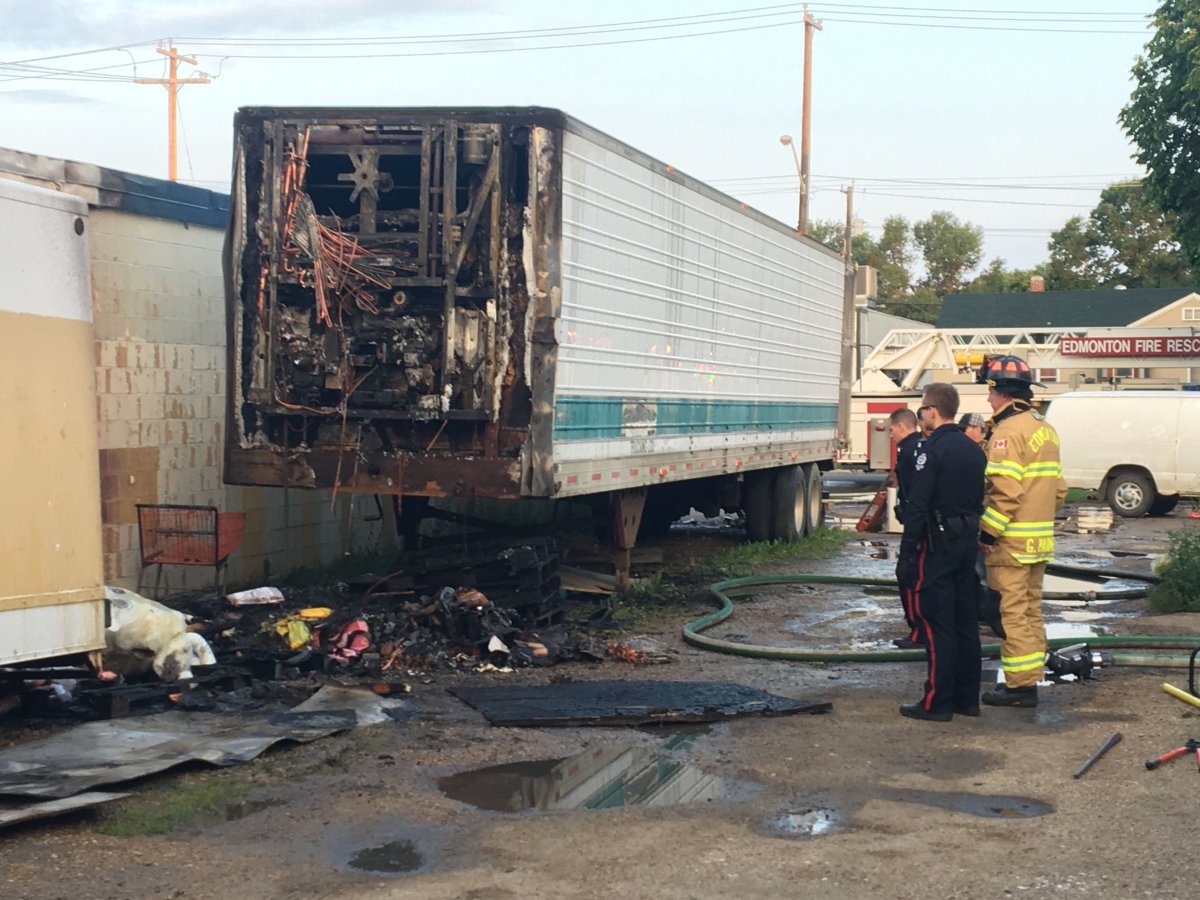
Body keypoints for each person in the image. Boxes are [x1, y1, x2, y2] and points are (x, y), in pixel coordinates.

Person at [977, 355, 1067, 708]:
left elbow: (1006, 492)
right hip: (1040, 541)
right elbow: (1059, 489)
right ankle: (1031, 676)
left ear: (1003, 393)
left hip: (1011, 543)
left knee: (1010, 612)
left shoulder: (1007, 433)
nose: (988, 399)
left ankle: (1019, 688)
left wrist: (987, 534)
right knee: (1031, 609)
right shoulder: (1045, 429)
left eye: (990, 391)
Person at [896, 382, 987, 722]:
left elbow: (918, 505)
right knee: (965, 622)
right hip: (966, 542)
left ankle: (937, 702)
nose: (921, 416)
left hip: (936, 545)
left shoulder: (929, 450)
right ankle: (968, 699)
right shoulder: (974, 449)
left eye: (922, 411)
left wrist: (907, 555)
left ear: (932, 411)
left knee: (937, 624)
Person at [889, 408, 923, 648]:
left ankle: (917, 632)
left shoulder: (910, 450)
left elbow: (914, 488)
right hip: (921, 520)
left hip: (917, 523)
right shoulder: (921, 446)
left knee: (908, 575)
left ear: (902, 427)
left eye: (891, 430)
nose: (890, 435)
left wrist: (908, 511)